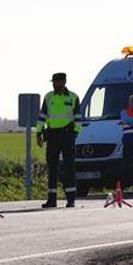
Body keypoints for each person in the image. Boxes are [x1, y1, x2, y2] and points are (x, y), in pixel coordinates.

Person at [35, 73, 82, 208]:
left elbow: (78, 118)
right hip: (52, 135)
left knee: (69, 168)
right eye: (53, 82)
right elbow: (42, 116)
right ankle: (52, 199)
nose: (54, 85)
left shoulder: (73, 97)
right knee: (52, 168)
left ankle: (71, 199)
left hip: (67, 135)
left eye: (57, 82)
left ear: (64, 82)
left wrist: (75, 134)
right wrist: (38, 133)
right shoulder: (48, 97)